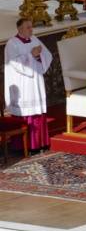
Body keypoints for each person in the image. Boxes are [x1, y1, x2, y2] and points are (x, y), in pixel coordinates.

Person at [4, 18, 52, 152]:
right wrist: (31, 55)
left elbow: (47, 55)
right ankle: (26, 146)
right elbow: (15, 64)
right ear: (20, 29)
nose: (31, 30)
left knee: (38, 112)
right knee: (28, 112)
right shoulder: (12, 44)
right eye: (28, 28)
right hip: (23, 83)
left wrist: (39, 56)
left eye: (31, 27)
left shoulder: (35, 39)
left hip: (36, 80)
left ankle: (40, 143)